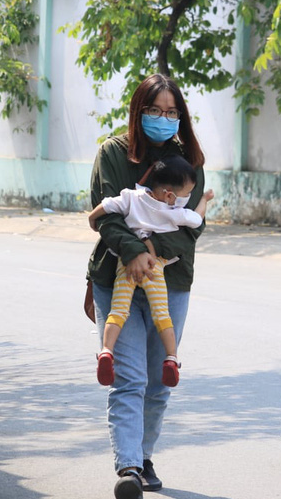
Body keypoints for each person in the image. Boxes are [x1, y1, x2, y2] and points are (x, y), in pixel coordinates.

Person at [87, 73, 208, 499]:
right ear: (138, 112)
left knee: (159, 381)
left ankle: (145, 455)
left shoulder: (189, 159)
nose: (163, 118)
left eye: (171, 112)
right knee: (129, 378)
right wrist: (133, 252)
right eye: (154, 110)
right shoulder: (114, 153)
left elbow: (192, 226)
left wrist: (150, 250)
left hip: (171, 280)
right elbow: (105, 214)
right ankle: (129, 468)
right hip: (114, 277)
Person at [88, 155, 214, 388]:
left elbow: (105, 206)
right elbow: (198, 218)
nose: (186, 198)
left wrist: (92, 218)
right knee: (162, 315)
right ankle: (171, 359)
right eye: (185, 194)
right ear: (169, 195)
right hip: (155, 269)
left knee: (118, 311)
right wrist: (205, 199)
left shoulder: (130, 197)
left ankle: (107, 351)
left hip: (127, 265)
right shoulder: (175, 211)